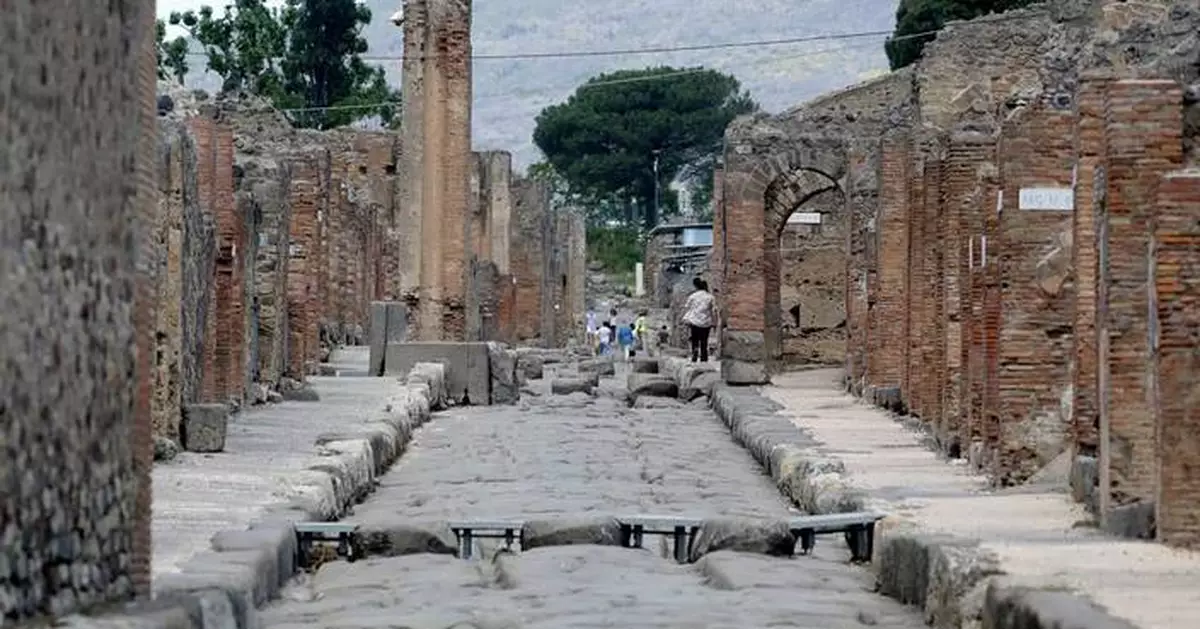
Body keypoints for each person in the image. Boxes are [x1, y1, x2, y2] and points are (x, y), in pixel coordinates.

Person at [681, 277, 716, 363]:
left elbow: (687, 307)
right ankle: (704, 358)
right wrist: (714, 322)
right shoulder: (710, 297)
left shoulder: (692, 296)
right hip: (706, 322)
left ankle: (694, 354)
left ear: (696, 286)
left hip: (695, 321)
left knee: (695, 339)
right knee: (704, 341)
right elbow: (714, 310)